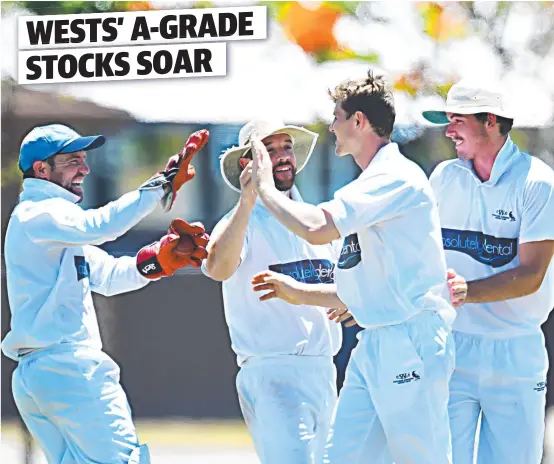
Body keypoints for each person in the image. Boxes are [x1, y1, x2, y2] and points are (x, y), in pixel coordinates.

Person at [249, 71, 456, 464]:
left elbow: (315, 228)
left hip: (410, 339)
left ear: (359, 121)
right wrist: (297, 293)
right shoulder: (370, 185)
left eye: (337, 117)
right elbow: (355, 292)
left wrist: (262, 187)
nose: (331, 127)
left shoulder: (392, 178)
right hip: (376, 341)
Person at [2, 123, 210, 464]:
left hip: (41, 373)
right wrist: (161, 185)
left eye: (83, 159)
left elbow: (111, 276)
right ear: (41, 169)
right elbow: (100, 227)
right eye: (72, 160)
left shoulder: (50, 224)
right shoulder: (40, 211)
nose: (84, 168)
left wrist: (160, 260)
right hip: (68, 368)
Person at [423, 80, 554, 464]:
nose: (448, 131)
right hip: (451, 344)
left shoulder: (539, 184)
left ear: (491, 121)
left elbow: (531, 275)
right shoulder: (443, 177)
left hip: (516, 350)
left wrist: (467, 291)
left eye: (457, 120)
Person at [202, 119, 342, 463]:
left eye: (287, 148)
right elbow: (218, 268)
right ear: (248, 163)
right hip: (273, 374)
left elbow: (349, 288)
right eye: (269, 150)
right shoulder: (240, 221)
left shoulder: (317, 218)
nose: (282, 157)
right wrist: (248, 202)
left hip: (325, 370)